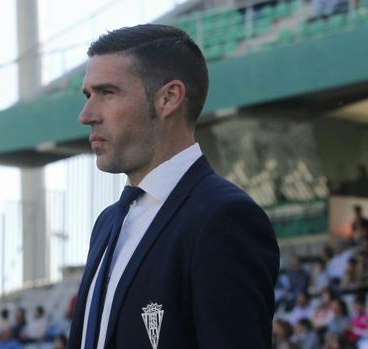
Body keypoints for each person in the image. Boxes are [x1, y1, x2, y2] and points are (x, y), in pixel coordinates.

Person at [67, 24, 280, 349]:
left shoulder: (223, 218)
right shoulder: (108, 222)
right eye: (87, 96)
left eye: (107, 93)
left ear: (168, 98)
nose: (86, 115)